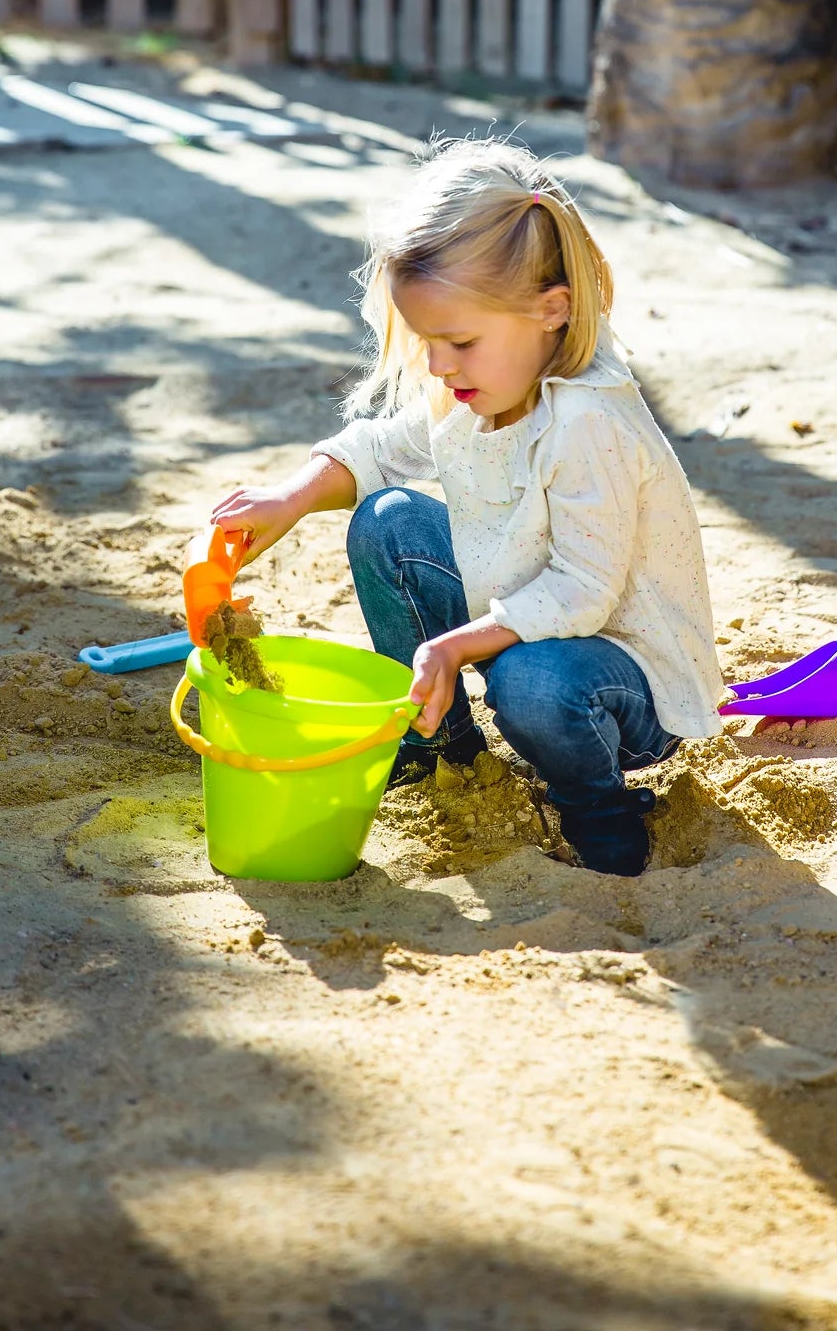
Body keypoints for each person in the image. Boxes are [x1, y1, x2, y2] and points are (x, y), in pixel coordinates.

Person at [210, 139, 723, 876]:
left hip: (624, 684)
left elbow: (582, 593)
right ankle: (438, 745)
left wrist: (452, 646)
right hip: (517, 618)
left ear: (552, 310)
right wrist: (291, 498)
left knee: (531, 682)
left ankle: (601, 812)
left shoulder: (587, 424)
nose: (441, 367)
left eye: (459, 342)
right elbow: (384, 449)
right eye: (427, 344)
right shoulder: (477, 385)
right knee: (388, 521)